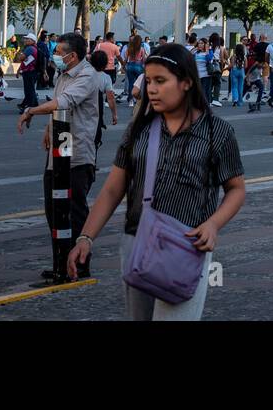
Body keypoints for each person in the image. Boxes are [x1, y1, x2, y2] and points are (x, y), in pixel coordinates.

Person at [68, 43, 244, 319]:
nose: (151, 89)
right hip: (137, 243)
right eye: (149, 81)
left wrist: (213, 224)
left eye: (161, 81)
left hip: (186, 245)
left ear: (186, 83)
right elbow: (114, 189)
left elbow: (236, 189)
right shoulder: (139, 129)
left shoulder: (217, 132)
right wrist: (86, 237)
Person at [19, 32, 103, 280]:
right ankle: (59, 263)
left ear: (72, 55)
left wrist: (31, 110)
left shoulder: (88, 76)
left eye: (59, 51)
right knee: (53, 210)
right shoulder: (63, 75)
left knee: (74, 212)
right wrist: (47, 129)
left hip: (77, 154)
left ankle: (80, 265)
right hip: (57, 153)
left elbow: (64, 102)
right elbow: (58, 104)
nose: (55, 55)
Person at [18, 33, 40, 112]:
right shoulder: (34, 48)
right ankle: (34, 104)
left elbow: (20, 58)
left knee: (28, 90)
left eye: (28, 39)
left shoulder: (30, 48)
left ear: (33, 41)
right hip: (32, 71)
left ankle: (29, 107)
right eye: (25, 39)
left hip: (29, 72)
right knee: (31, 89)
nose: (25, 40)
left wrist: (21, 54)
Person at [122, 34, 147, 104]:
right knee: (138, 83)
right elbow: (144, 59)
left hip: (130, 66)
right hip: (138, 66)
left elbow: (126, 59)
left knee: (131, 83)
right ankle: (137, 99)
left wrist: (123, 66)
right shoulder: (141, 49)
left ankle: (131, 100)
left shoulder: (129, 48)